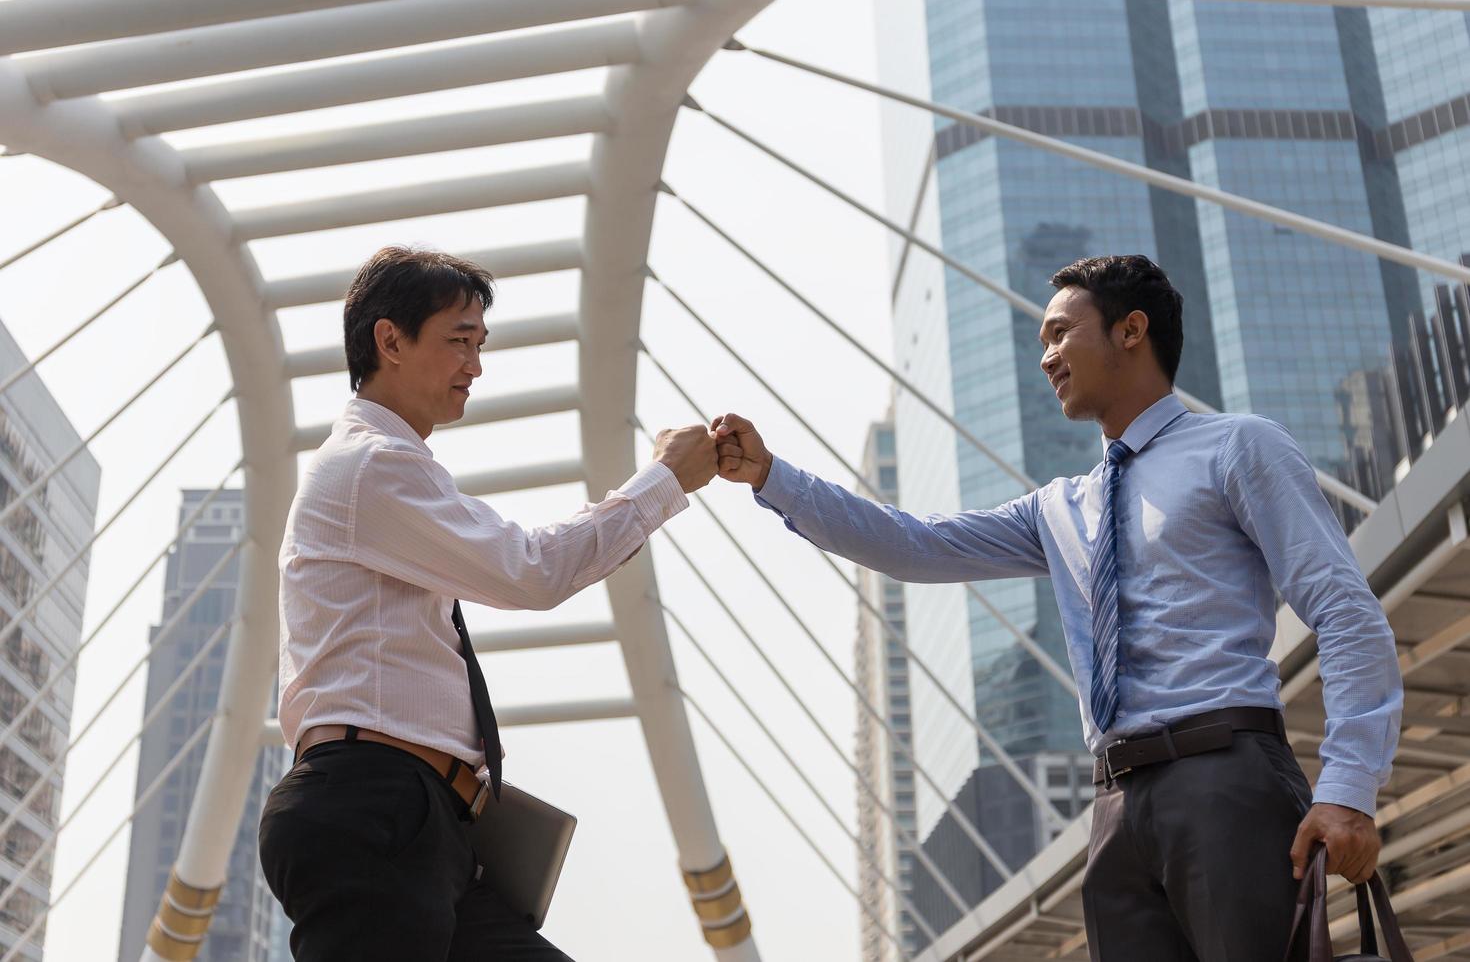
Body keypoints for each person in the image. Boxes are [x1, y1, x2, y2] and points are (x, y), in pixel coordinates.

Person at [712, 254, 1402, 961]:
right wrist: (771, 476)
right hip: (1114, 809)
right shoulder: (1060, 508)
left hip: (1225, 779)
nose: (1045, 358)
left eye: (1058, 334)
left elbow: (1344, 611)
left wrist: (1348, 787)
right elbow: (914, 545)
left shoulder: (1236, 447)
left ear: (1131, 330)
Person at [258, 246, 721, 962]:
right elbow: (532, 571)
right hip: (374, 813)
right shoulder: (372, 466)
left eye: (481, 345)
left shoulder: (384, 468)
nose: (476, 366)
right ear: (390, 340)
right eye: (459, 341)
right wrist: (665, 481)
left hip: (419, 826)